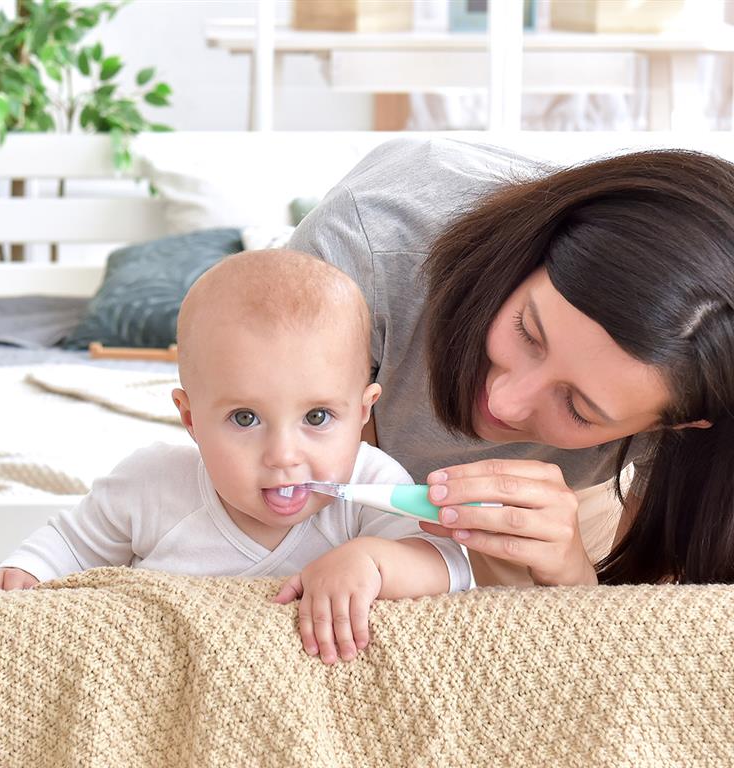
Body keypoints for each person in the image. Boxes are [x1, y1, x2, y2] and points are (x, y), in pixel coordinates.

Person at [0, 249, 471, 664]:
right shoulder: (153, 483)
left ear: (363, 412)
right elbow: (70, 547)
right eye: (245, 419)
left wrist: (371, 561)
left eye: (317, 417)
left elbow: (449, 564)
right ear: (190, 419)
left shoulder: (370, 486)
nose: (284, 455)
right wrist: (25, 573)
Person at [289, 137, 734, 587]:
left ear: (679, 425)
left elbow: (649, 614)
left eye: (578, 408)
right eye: (527, 331)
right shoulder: (365, 252)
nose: (503, 403)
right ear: (538, 249)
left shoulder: (702, 408)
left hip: (568, 502)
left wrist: (572, 579)